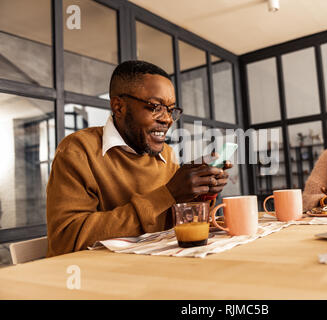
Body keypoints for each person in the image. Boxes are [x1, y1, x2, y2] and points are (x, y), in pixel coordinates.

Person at [46, 60, 231, 257]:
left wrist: (200, 191)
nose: (167, 119)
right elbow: (66, 238)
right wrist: (167, 194)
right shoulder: (78, 150)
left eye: (170, 109)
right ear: (119, 107)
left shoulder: (167, 154)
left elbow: (171, 226)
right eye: (155, 106)